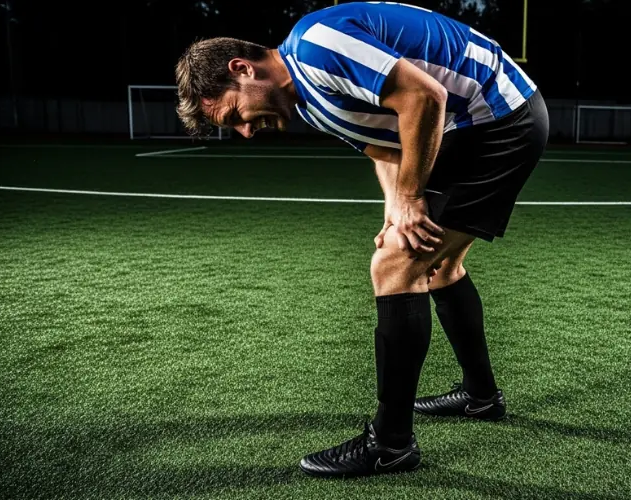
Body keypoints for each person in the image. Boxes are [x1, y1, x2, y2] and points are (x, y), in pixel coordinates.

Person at [174, 0, 548, 478]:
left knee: (394, 265)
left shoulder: (315, 44)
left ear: (242, 69)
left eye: (235, 116)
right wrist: (397, 209)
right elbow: (385, 147)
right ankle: (481, 396)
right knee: (432, 262)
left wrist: (412, 197)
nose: (247, 131)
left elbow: (424, 98)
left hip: (495, 117)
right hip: (476, 125)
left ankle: (390, 444)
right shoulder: (309, 104)